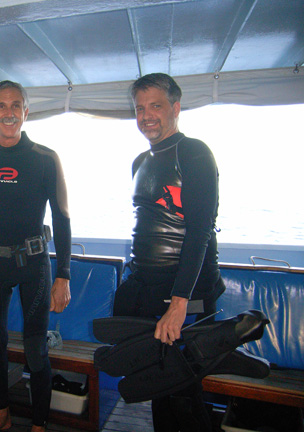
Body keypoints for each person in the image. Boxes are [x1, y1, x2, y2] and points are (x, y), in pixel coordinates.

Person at [0, 80, 72, 432]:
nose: (9, 112)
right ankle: (2, 413)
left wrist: (63, 273)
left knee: (36, 349)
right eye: (1, 106)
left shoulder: (45, 158)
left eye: (15, 105)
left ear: (25, 111)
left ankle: (38, 425)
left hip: (33, 266)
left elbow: (62, 217)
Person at [113, 73, 225, 431]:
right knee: (158, 383)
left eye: (155, 106)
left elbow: (199, 231)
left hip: (187, 291)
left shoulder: (193, 153)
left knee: (182, 389)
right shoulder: (139, 162)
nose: (146, 115)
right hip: (149, 284)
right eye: (140, 108)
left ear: (175, 108)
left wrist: (179, 303)